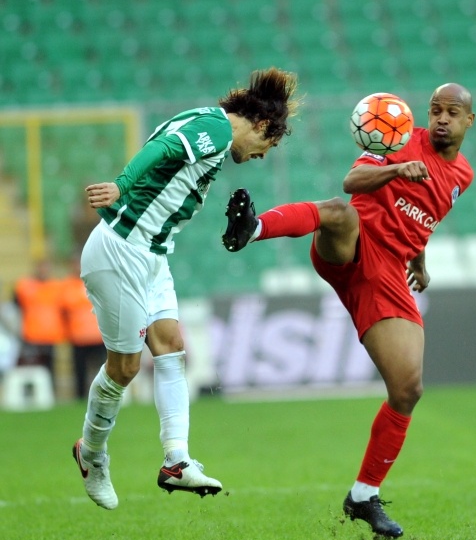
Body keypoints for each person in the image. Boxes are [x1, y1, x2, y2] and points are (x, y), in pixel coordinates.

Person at [222, 83, 475, 537]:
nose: (441, 118)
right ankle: (252, 228)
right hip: (353, 245)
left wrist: (420, 261)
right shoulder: (399, 138)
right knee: (339, 210)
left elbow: (423, 218)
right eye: (435, 109)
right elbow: (352, 182)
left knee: (408, 389)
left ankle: (363, 495)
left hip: (388, 273)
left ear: (468, 121)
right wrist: (397, 168)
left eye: (451, 112)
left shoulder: (463, 176)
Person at [73, 68, 300, 510]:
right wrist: (121, 185)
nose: (261, 156)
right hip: (121, 251)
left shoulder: (209, 124)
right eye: (268, 145)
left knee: (172, 347)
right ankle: (92, 453)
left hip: (153, 255)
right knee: (124, 369)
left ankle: (176, 461)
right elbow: (163, 149)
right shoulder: (217, 128)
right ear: (261, 125)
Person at [60, 256, 106, 398]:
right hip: (78, 336)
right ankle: (81, 397)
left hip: (98, 335)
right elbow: (62, 311)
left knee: (102, 370)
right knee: (80, 371)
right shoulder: (66, 286)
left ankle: (103, 396)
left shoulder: (96, 281)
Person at [13, 259, 66, 383]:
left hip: (50, 334)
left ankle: (50, 390)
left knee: (50, 367)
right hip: (31, 334)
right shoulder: (24, 285)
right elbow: (15, 307)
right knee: (33, 367)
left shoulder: (57, 286)